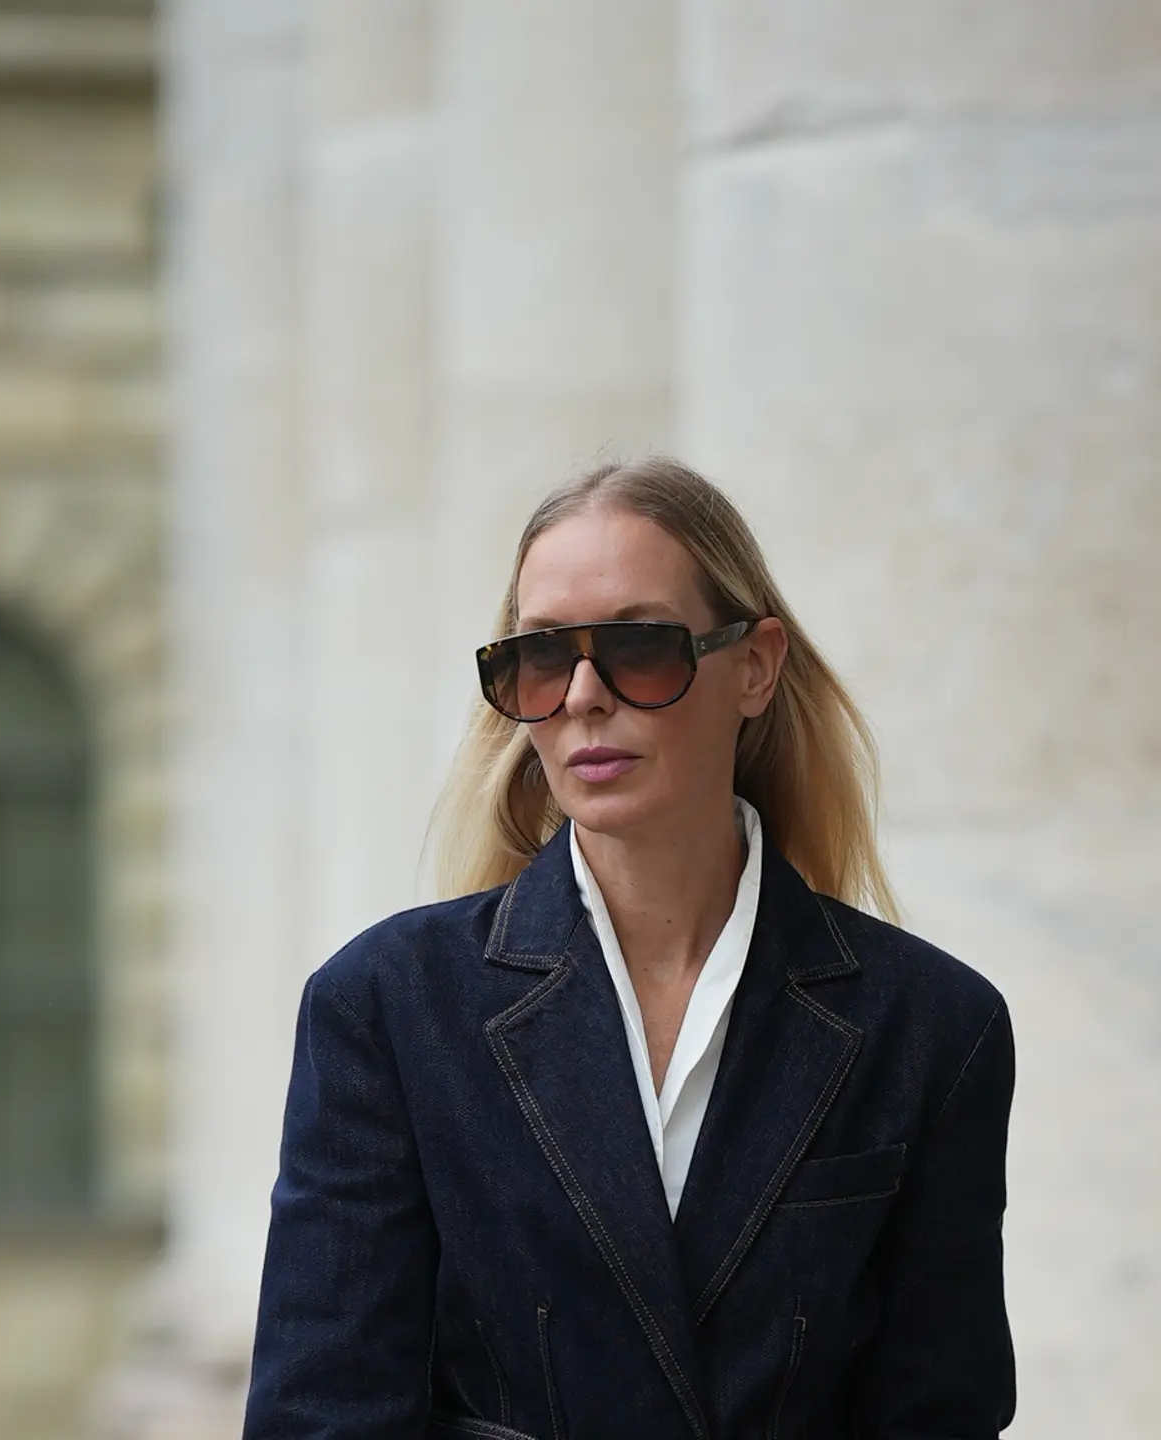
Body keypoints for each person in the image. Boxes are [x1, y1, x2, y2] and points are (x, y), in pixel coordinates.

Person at [242, 456, 1017, 1439]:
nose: (579, 698)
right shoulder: (389, 1007)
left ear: (754, 665)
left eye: (639, 648)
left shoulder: (931, 1027)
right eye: (539, 658)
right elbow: (325, 1415)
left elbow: (937, 1414)